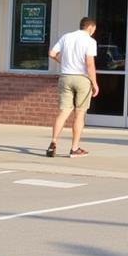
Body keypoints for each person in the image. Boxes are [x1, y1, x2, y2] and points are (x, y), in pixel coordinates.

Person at [46, 17, 99, 158]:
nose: (93, 32)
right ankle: (74, 148)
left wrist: (62, 61)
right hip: (82, 79)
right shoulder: (90, 41)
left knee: (64, 112)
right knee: (79, 114)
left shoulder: (66, 37)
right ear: (90, 27)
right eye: (94, 29)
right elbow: (89, 64)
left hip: (65, 77)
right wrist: (94, 83)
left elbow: (51, 53)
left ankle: (53, 143)